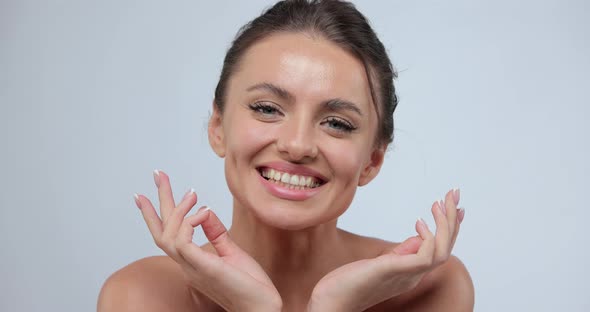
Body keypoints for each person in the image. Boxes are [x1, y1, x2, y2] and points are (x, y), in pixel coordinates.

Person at [98, 0, 474, 311]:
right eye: (266, 108)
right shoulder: (142, 297)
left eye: (337, 123)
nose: (297, 145)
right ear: (218, 127)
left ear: (372, 161)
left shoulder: (430, 288)